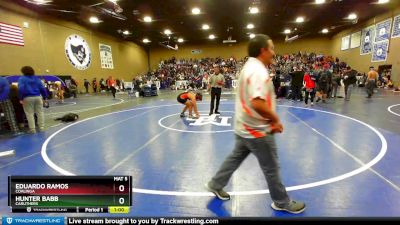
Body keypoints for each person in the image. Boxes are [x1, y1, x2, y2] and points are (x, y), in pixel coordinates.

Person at [205, 34, 306, 214]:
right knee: (271, 168)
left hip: (244, 127)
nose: (274, 53)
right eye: (272, 48)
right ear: (263, 50)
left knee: (234, 158)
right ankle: (282, 202)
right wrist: (274, 119)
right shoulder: (258, 71)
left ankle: (215, 183)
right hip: (257, 130)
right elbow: (257, 102)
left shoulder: (249, 67)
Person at [18, 66, 48, 134]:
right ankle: (41, 127)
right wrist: (45, 97)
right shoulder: (37, 78)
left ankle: (32, 129)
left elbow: (21, 89)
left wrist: (20, 98)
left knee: (29, 114)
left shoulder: (22, 79)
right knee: (40, 112)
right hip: (38, 97)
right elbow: (42, 88)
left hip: (27, 98)